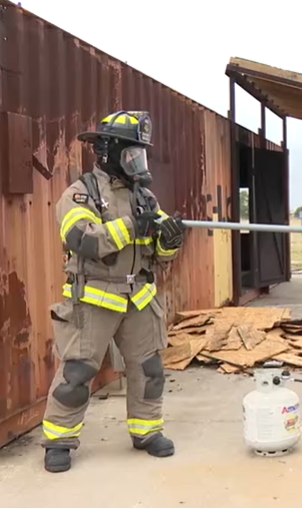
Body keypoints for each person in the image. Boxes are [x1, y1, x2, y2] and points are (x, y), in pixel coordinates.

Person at [41, 110, 187, 473]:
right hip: (93, 299)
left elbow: (158, 255)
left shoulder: (146, 199)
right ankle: (58, 441)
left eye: (141, 155)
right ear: (108, 152)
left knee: (149, 369)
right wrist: (131, 225)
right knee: (76, 375)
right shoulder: (80, 193)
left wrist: (170, 240)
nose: (138, 162)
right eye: (131, 154)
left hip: (138, 297)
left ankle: (147, 431)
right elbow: (83, 240)